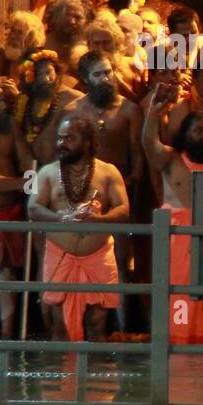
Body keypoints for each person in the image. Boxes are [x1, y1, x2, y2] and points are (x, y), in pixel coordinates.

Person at [143, 91, 203, 345]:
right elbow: (149, 145)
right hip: (177, 245)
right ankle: (177, 360)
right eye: (198, 130)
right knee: (178, 301)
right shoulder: (172, 160)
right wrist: (153, 114)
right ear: (185, 136)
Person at [28, 117, 130, 341]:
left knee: (97, 324)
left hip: (99, 256)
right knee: (59, 327)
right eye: (60, 138)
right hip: (60, 256)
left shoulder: (109, 172)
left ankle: (96, 376)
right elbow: (33, 208)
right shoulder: (46, 172)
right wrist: (60, 217)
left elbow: (123, 209)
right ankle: (61, 376)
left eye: (69, 138)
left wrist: (99, 220)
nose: (62, 143)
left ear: (87, 142)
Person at [66, 50, 144, 329]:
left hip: (120, 193)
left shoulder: (129, 109)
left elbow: (137, 155)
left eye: (109, 71)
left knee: (123, 262)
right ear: (85, 80)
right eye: (98, 74)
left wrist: (131, 188)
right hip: (83, 192)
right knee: (84, 258)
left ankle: (123, 328)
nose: (106, 78)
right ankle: (86, 326)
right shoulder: (74, 110)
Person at [0, 80, 34, 338]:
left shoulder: (9, 127)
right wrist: (20, 184)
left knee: (7, 272)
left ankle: (7, 336)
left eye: (5, 101)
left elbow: (27, 159)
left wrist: (30, 179)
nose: (4, 106)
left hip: (12, 210)